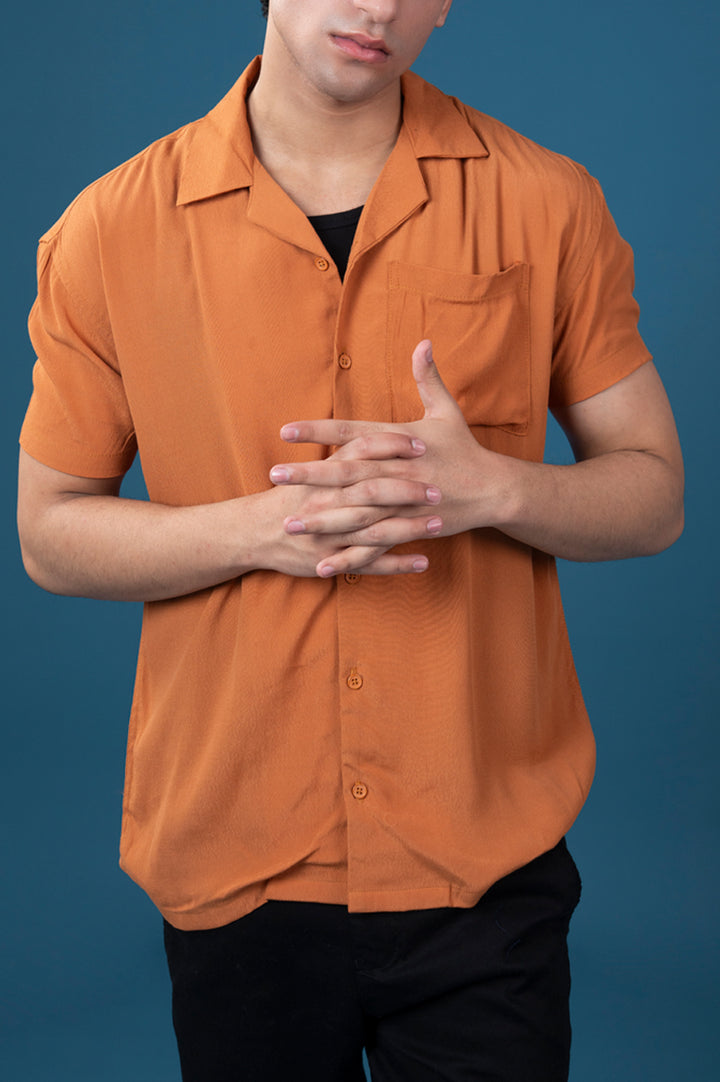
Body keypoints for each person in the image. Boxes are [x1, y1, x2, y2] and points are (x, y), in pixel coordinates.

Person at [17, 1, 684, 1079]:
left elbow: (655, 496)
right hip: (235, 854)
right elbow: (49, 534)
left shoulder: (547, 201)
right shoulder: (109, 228)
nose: (380, 7)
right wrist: (260, 528)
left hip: (484, 862)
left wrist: (498, 489)